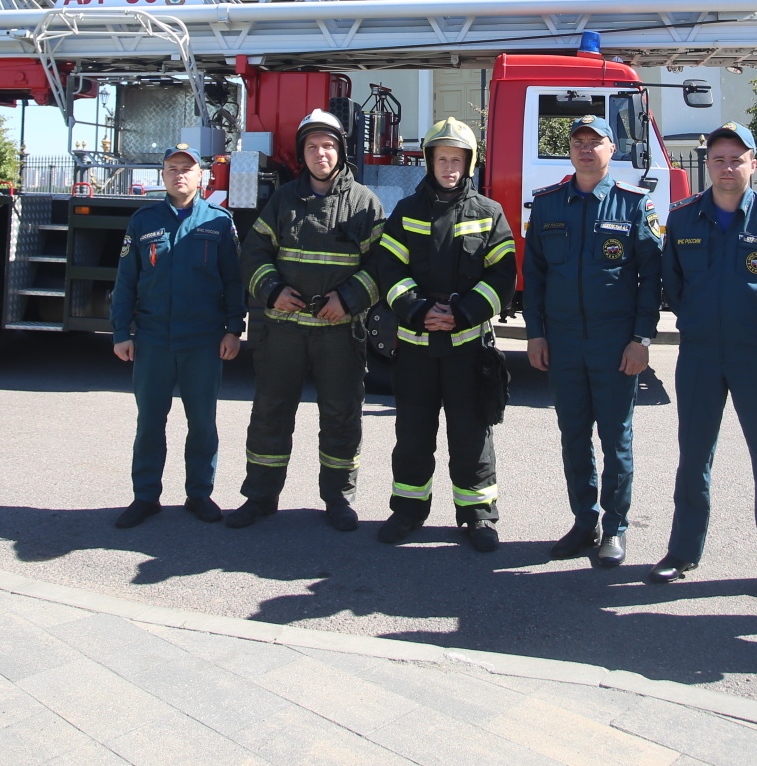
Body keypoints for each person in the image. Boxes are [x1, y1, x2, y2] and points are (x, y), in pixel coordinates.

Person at [648, 121, 757, 613]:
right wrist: (700, 324)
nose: (726, 167)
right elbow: (672, 285)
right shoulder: (682, 219)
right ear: (709, 165)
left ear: (753, 165)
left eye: (736, 159)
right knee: (693, 458)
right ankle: (682, 553)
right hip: (699, 354)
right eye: (718, 159)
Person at [231, 108, 387, 531]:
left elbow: (383, 265)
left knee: (341, 416)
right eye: (313, 146)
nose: (322, 153)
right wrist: (273, 291)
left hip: (339, 334)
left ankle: (338, 499)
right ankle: (261, 496)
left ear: (341, 152)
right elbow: (254, 253)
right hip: (284, 332)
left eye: (329, 145)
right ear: (303, 153)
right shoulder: (282, 200)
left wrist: (351, 299)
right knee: (270, 412)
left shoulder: (364, 204)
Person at [366, 117, 515, 553]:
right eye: (441, 158)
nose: (449, 166)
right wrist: (417, 310)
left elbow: (502, 276)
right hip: (415, 348)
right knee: (413, 433)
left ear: (469, 164)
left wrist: (462, 314)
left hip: (467, 348)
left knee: (472, 433)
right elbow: (388, 270)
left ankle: (479, 515)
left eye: (457, 159)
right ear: (429, 161)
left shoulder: (489, 213)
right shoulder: (406, 212)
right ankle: (408, 510)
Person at [523, 114, 662, 567]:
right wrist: (536, 334)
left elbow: (651, 279)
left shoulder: (633, 205)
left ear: (611, 149)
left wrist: (641, 339)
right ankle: (584, 522)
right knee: (573, 436)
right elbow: (536, 276)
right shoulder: (547, 205)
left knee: (616, 439)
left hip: (613, 343)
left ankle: (615, 528)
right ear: (570, 151)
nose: (586, 148)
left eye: (595, 141)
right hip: (562, 342)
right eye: (578, 142)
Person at [110, 141, 244, 528]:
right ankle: (145, 496)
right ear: (163, 175)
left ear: (200, 176)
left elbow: (233, 281)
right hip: (152, 340)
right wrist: (121, 331)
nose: (179, 174)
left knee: (202, 423)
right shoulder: (143, 221)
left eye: (187, 169)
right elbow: (126, 282)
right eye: (172, 168)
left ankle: (199, 494)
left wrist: (234, 329)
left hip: (202, 340)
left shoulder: (219, 221)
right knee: (150, 422)